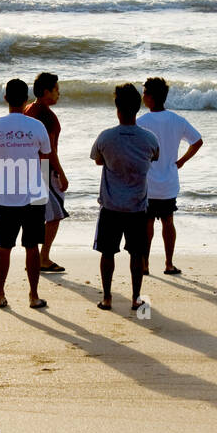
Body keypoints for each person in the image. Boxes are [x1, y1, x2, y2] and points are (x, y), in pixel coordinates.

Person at [89, 83, 159, 312]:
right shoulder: (149, 139)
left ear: (117, 109)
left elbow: (98, 160)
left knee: (107, 252)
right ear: (137, 109)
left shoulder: (106, 137)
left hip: (111, 205)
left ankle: (107, 297)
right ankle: (136, 298)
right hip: (137, 206)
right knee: (137, 254)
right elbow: (154, 157)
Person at [0, 78, 51, 309]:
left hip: (6, 192)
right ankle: (33, 296)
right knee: (32, 246)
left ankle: (0, 294)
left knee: (4, 245)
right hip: (34, 192)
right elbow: (45, 156)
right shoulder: (37, 126)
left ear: (6, 98)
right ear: (26, 99)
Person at [137, 77, 202, 276]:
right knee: (168, 221)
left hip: (148, 182)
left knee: (147, 223)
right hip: (169, 181)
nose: (143, 96)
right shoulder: (177, 120)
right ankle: (168, 263)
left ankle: (145, 264)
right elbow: (197, 141)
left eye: (145, 93)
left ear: (152, 97)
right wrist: (181, 161)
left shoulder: (141, 122)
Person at [23, 72, 69, 272]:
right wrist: (61, 173)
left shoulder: (28, 110)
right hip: (44, 170)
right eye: (56, 89)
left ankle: (34, 258)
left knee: (37, 214)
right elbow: (50, 150)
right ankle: (43, 257)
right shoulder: (46, 115)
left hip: (28, 167)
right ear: (45, 91)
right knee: (55, 214)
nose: (59, 93)